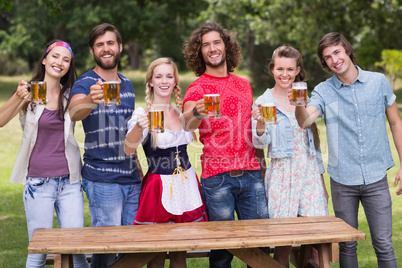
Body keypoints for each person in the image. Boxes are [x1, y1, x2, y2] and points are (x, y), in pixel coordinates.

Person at [292, 32, 402, 267]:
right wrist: (299, 104)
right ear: (325, 63)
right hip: (343, 182)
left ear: (347, 50)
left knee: (383, 244)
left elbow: (396, 123)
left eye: (337, 52)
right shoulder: (323, 91)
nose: (334, 59)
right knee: (346, 245)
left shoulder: (378, 82)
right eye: (328, 57)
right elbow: (306, 121)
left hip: (376, 178)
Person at [182, 22, 269, 268]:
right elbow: (186, 124)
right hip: (217, 177)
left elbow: (253, 130)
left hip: (251, 174)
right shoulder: (197, 88)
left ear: (226, 46)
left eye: (216, 42)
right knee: (221, 251)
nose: (212, 48)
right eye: (205, 45)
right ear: (199, 52)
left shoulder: (244, 85)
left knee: (261, 244)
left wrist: (261, 166)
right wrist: (196, 113)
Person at [4, 41, 88, 268]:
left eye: (66, 60)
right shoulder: (29, 90)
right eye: (55, 57)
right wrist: (18, 97)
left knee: (77, 250)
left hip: (69, 182)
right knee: (39, 253)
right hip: (38, 183)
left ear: (69, 66)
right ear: (44, 60)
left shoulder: (70, 95)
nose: (59, 62)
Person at [68, 23, 142, 268]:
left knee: (131, 248)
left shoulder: (128, 85)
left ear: (120, 47)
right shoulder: (85, 82)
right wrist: (91, 98)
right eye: (100, 45)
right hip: (102, 179)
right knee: (107, 246)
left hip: (131, 179)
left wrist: (139, 169)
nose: (106, 49)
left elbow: (128, 132)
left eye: (110, 43)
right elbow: (75, 112)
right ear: (92, 51)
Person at [124, 57, 208, 268]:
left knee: (180, 251)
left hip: (186, 183)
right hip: (159, 187)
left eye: (169, 76)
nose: (164, 81)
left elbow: (195, 124)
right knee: (158, 251)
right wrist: (138, 128)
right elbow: (128, 149)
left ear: (175, 82)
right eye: (158, 76)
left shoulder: (180, 113)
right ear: (150, 82)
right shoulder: (142, 114)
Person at [251, 45, 329, 267]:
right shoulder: (264, 100)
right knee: (283, 245)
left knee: (316, 239)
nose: (284, 74)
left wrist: (321, 181)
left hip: (309, 172)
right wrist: (258, 121)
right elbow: (260, 143)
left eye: (290, 69)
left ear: (297, 71)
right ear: (272, 70)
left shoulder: (303, 96)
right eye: (280, 69)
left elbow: (312, 144)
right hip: (281, 175)